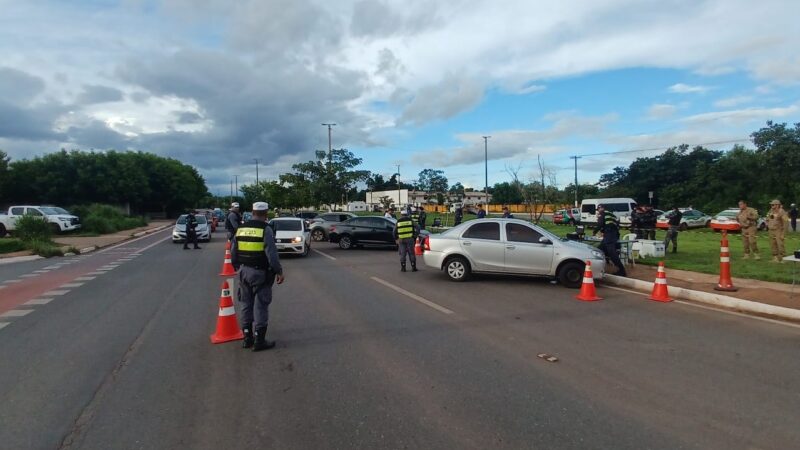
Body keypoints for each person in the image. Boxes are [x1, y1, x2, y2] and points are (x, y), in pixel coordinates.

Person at [230, 202, 285, 351]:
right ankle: (259, 341)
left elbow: (233, 249)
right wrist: (279, 271)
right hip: (260, 273)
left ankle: (247, 338)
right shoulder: (265, 229)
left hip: (243, 272)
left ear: (252, 212)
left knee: (246, 305)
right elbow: (272, 254)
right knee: (261, 306)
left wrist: (236, 266)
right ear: (266, 213)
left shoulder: (241, 228)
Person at [593, 204, 626, 276]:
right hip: (614, 234)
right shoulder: (612, 214)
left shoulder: (602, 213)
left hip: (609, 235)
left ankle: (622, 271)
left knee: (612, 253)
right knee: (599, 250)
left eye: (598, 210)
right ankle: (598, 268)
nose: (598, 211)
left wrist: (594, 232)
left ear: (601, 208)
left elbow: (600, 224)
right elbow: (614, 225)